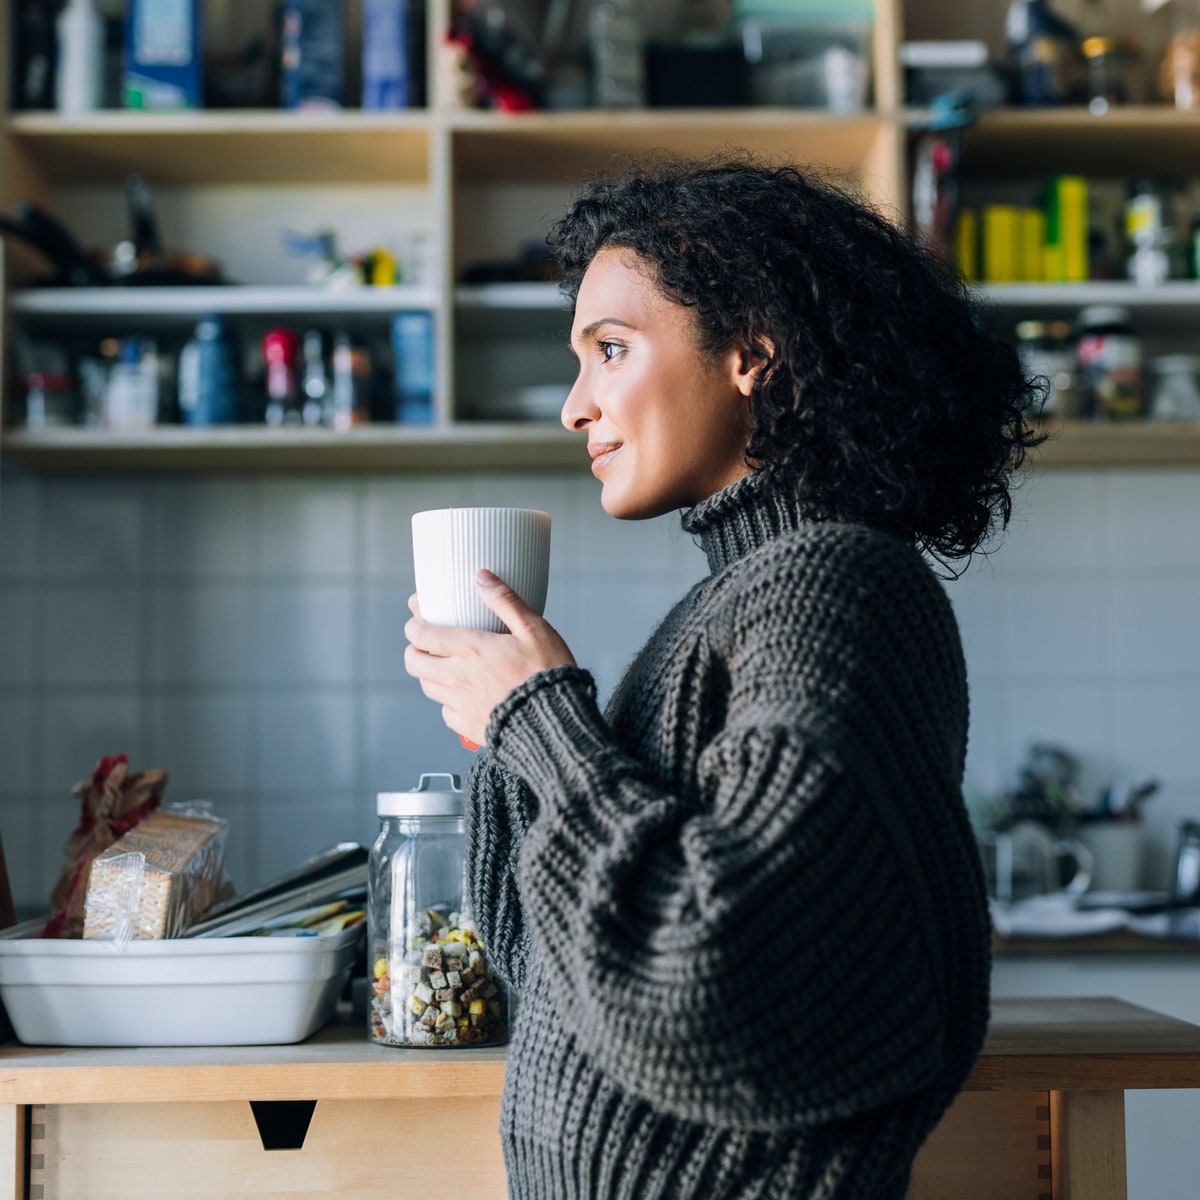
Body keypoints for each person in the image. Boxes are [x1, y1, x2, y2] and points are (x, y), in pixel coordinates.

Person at [404, 154, 1042, 1199]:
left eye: (608, 349)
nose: (575, 407)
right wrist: (504, 728)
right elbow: (563, 974)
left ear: (752, 352)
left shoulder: (835, 586)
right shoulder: (737, 599)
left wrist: (542, 719)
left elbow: (725, 989)